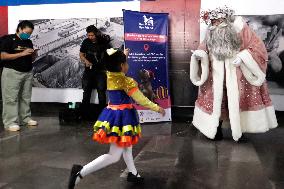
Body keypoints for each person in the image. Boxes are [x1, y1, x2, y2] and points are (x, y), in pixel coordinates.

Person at [68, 48, 165, 189]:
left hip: (112, 114)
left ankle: (133, 173)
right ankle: (80, 172)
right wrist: (157, 108)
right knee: (114, 155)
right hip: (123, 118)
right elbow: (142, 100)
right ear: (121, 66)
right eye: (126, 62)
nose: (127, 64)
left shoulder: (109, 75)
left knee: (127, 146)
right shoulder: (127, 82)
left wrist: (123, 56)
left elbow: (114, 65)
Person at [190, 6, 278, 141]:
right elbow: (204, 47)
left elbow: (257, 47)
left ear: (226, 20)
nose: (216, 24)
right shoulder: (211, 32)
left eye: (218, 21)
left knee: (238, 101)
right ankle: (215, 129)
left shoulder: (242, 29)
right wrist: (199, 54)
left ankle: (240, 131)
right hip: (215, 76)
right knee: (217, 101)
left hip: (238, 75)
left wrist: (243, 57)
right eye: (213, 22)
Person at [0, 20, 38, 132]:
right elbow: (3, 56)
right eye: (26, 32)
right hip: (12, 72)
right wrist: (21, 53)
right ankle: (10, 122)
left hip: (27, 72)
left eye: (30, 33)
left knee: (25, 97)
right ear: (20, 29)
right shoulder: (7, 39)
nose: (28, 35)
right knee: (11, 98)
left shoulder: (28, 42)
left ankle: (25, 118)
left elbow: (30, 58)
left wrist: (34, 55)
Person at [79, 25, 110, 112]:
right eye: (88, 35)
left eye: (92, 35)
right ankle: (84, 111)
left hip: (101, 70)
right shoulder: (85, 42)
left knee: (101, 90)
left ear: (96, 34)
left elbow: (109, 54)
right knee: (86, 90)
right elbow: (81, 54)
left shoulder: (103, 42)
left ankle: (103, 112)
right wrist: (86, 61)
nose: (90, 37)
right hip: (89, 70)